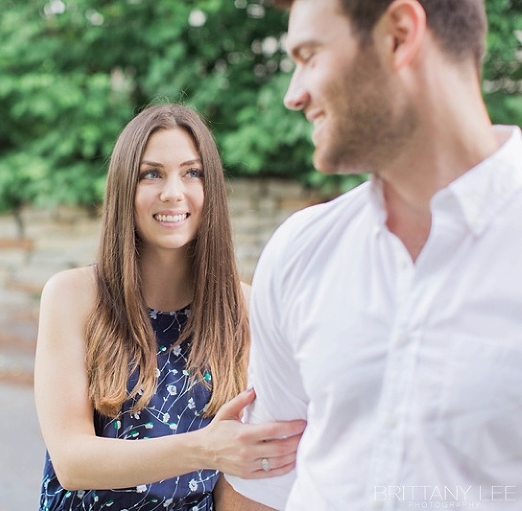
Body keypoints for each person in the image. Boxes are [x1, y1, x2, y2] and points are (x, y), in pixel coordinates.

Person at [219, 0, 522, 509]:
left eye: (309, 56)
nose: (294, 96)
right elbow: (263, 484)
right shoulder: (299, 251)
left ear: (400, 34)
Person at [34, 103, 306, 511]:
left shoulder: (248, 308)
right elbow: (72, 460)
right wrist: (205, 449)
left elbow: (246, 473)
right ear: (125, 187)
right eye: (152, 174)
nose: (173, 192)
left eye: (192, 172)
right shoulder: (74, 297)